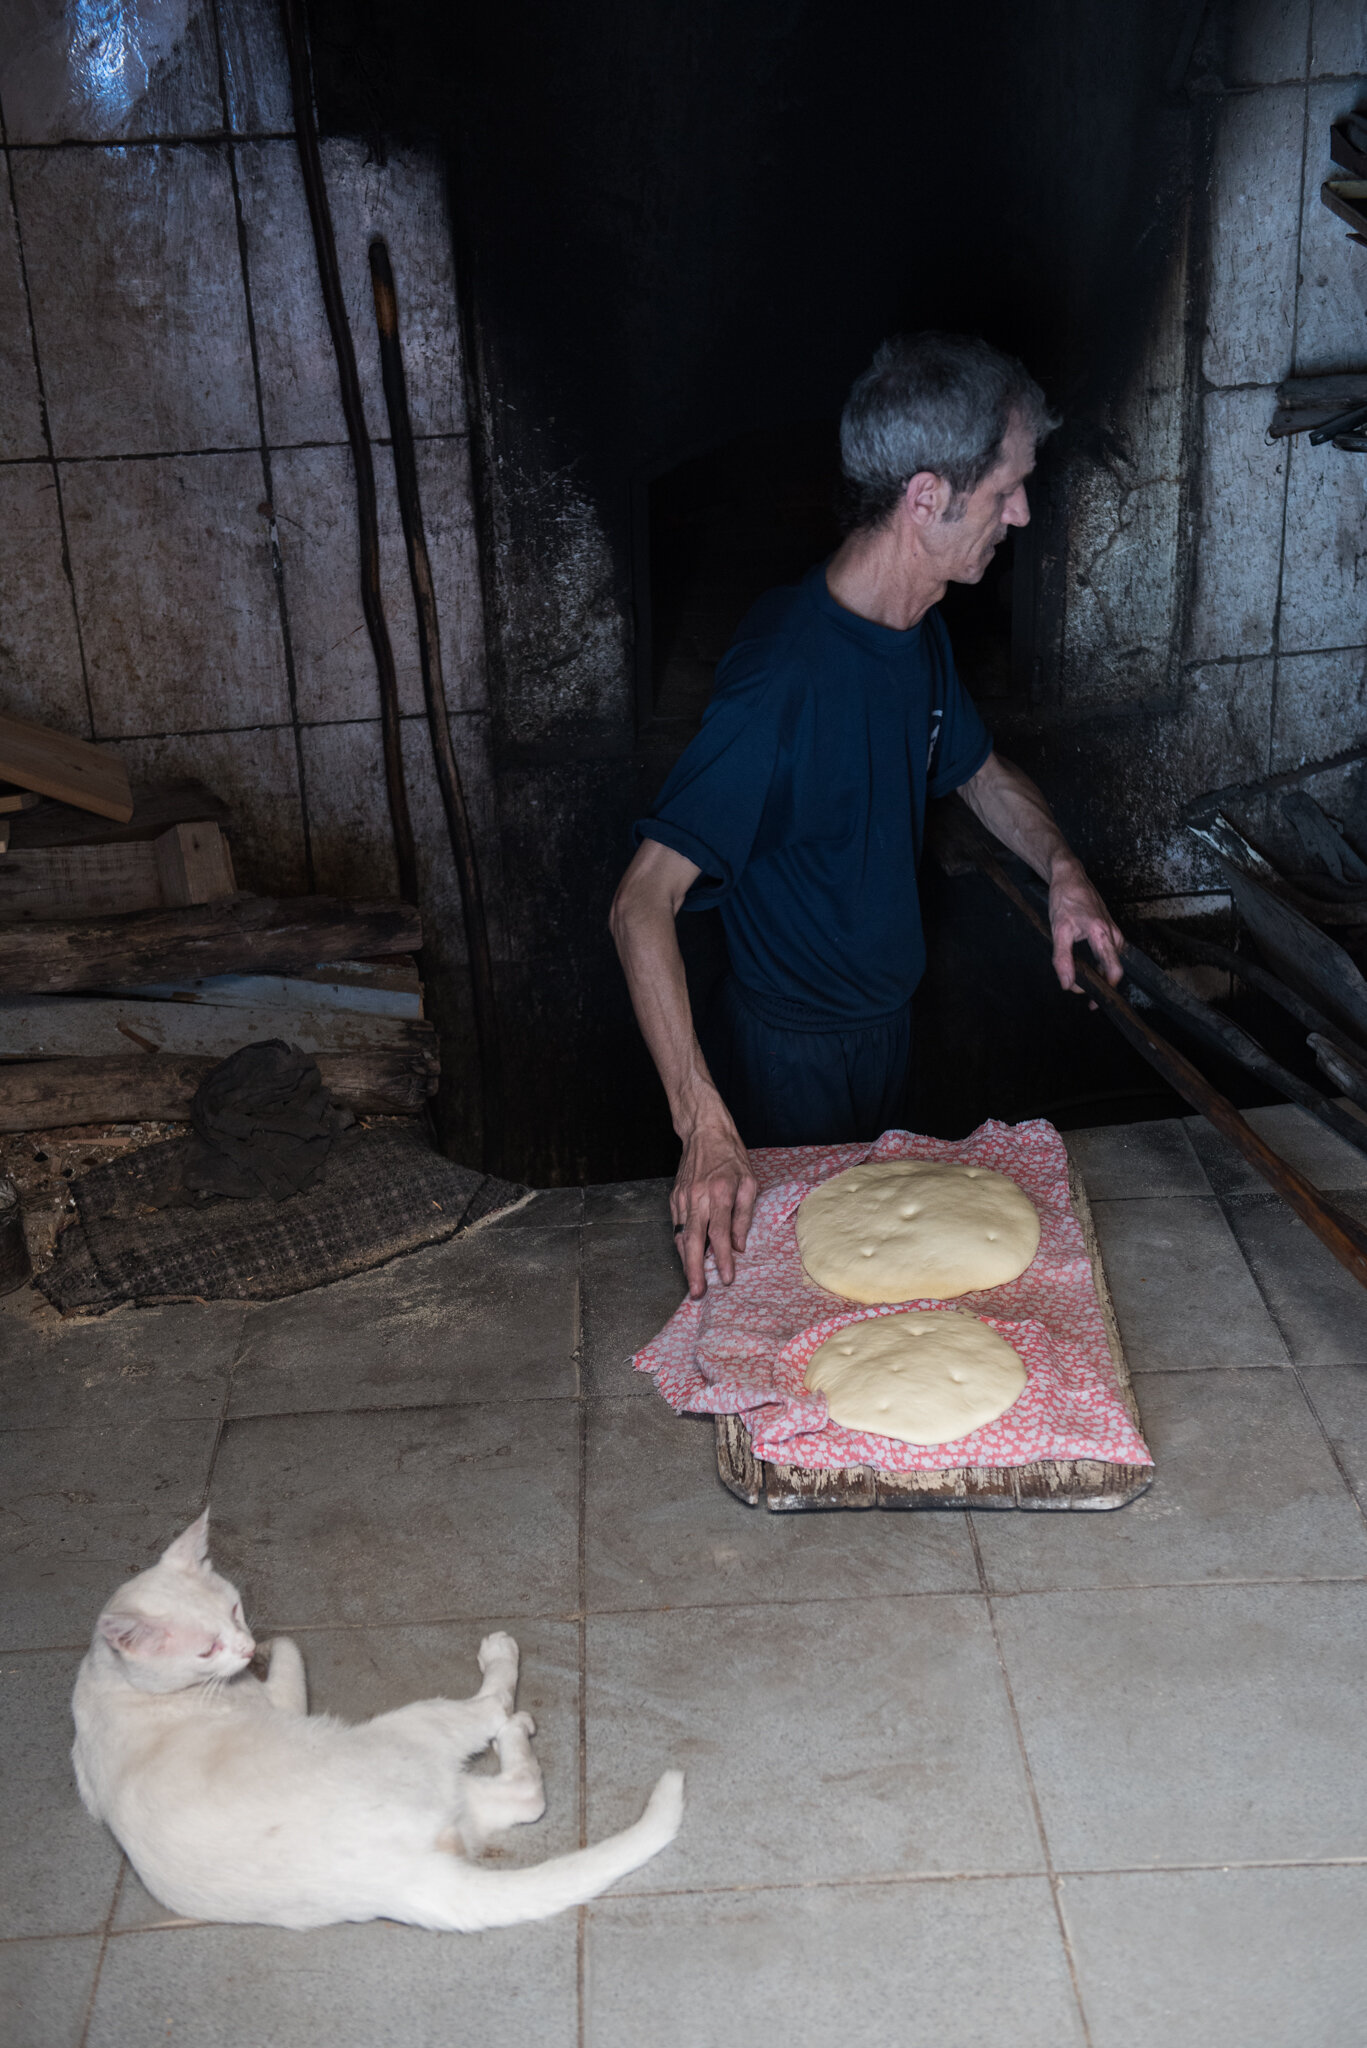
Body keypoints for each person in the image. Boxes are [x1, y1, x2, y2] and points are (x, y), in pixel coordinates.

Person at [610, 332, 1124, 1299]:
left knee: (882, 1284)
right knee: (814, 1307)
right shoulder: (784, 677)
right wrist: (704, 1123)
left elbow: (976, 771)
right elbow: (640, 902)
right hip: (788, 1056)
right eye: (1005, 487)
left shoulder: (910, 626)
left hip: (883, 1027)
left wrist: (1061, 871)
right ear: (926, 498)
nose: (1021, 510)